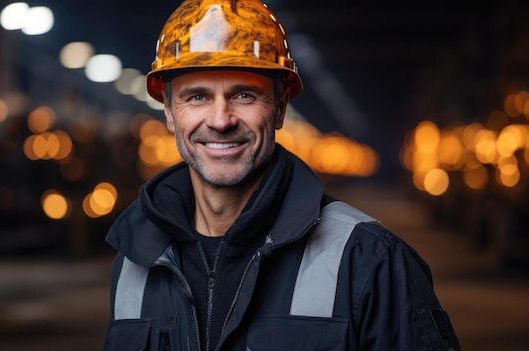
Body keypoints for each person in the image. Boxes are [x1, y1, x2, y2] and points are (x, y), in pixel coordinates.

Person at [104, 0, 461, 350]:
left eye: (243, 95)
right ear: (168, 112)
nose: (220, 120)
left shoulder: (369, 261)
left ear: (279, 108)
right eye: (196, 97)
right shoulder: (134, 264)